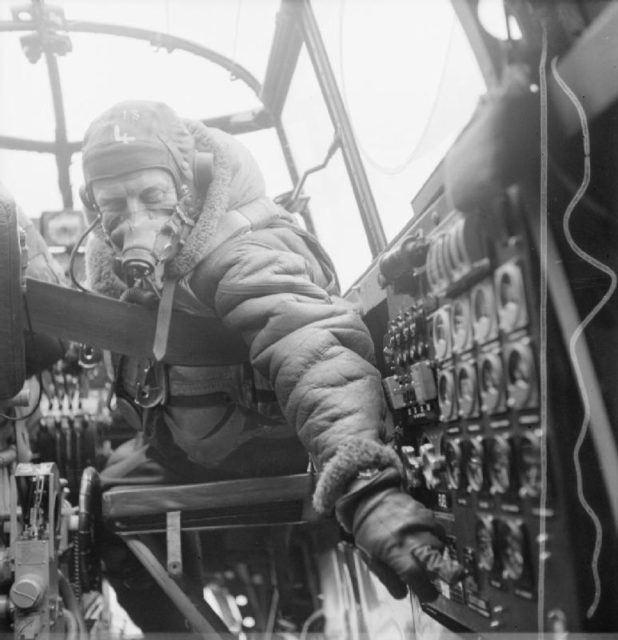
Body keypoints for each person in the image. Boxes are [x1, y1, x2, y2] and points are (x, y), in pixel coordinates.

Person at [79, 100, 463, 629]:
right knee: (98, 506)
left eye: (153, 196)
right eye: (113, 204)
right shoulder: (121, 281)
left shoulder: (241, 251)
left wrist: (365, 489)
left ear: (190, 186)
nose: (134, 219)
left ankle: (296, 608)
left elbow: (313, 350)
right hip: (182, 448)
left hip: (278, 449)